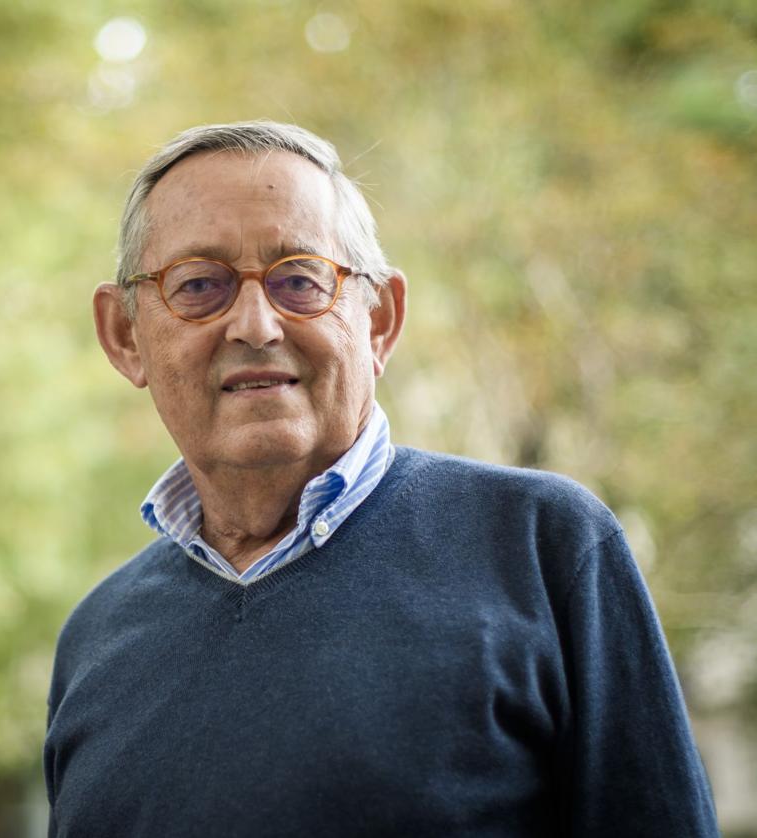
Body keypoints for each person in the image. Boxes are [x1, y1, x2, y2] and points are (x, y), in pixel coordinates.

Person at [43, 120, 718, 837]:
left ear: (380, 322)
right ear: (124, 336)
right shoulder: (95, 639)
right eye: (199, 285)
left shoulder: (544, 550)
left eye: (300, 280)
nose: (255, 325)